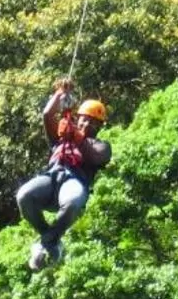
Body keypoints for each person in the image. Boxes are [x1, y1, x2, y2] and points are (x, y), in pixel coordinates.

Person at [16, 78, 110, 270]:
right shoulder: (61, 137)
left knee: (73, 201)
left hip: (74, 182)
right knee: (24, 195)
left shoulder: (101, 146)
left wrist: (76, 135)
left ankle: (47, 242)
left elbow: (96, 157)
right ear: (78, 117)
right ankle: (49, 239)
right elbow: (47, 115)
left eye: (93, 122)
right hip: (51, 180)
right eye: (84, 118)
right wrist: (59, 93)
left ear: (99, 127)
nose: (87, 123)